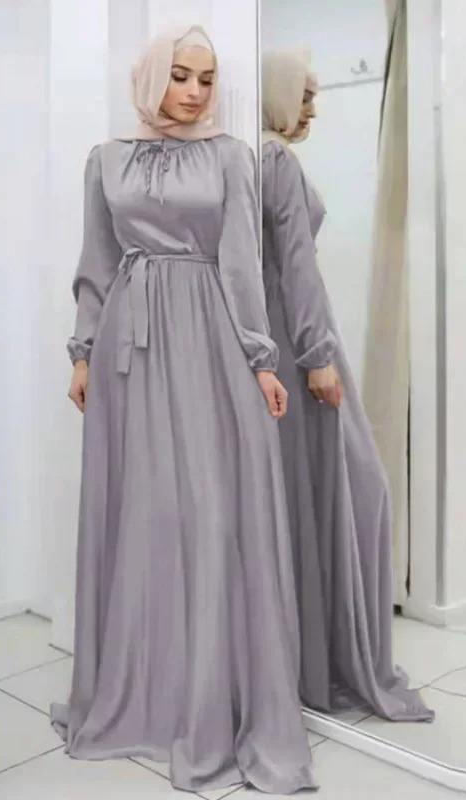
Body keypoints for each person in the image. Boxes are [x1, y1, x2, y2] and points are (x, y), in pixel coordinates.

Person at [50, 26, 319, 795]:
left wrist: (261, 359)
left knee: (209, 511)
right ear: (150, 78)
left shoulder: (231, 156)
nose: (196, 92)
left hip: (208, 337)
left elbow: (241, 263)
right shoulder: (105, 160)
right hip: (128, 348)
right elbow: (98, 263)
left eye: (206, 78)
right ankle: (143, 696)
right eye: (179, 75)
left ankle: (209, 698)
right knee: (146, 513)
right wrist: (82, 352)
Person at [260, 49, 434, 722]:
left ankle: (308, 657)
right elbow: (295, 267)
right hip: (299, 342)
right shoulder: (273, 160)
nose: (312, 108)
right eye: (303, 94)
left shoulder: (252, 157)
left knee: (309, 495)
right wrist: (317, 356)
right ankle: (327, 661)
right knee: (353, 489)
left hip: (285, 336)